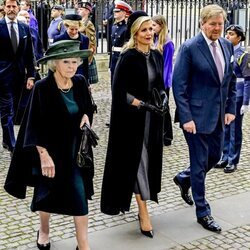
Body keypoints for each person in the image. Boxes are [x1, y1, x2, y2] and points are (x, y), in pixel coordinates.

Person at [4, 40, 93, 250]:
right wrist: (44, 156)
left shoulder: (79, 82)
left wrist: (87, 118)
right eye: (66, 62)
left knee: (79, 194)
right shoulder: (42, 87)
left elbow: (88, 108)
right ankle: (43, 230)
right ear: (55, 64)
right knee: (47, 195)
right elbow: (33, 123)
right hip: (49, 151)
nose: (72, 66)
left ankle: (84, 245)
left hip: (75, 152)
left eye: (75, 62)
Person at [101, 12, 169, 238]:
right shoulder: (128, 57)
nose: (149, 33)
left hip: (153, 121)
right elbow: (119, 92)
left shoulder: (157, 55)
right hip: (132, 121)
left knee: (148, 161)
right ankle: (143, 212)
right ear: (135, 33)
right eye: (144, 30)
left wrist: (162, 98)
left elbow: (160, 85)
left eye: (151, 29)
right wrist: (142, 105)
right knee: (138, 161)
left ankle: (139, 200)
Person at [172, 4, 236, 233]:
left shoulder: (228, 45)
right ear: (202, 24)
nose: (217, 28)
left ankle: (184, 177)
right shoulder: (190, 48)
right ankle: (203, 211)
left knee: (215, 156)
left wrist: (230, 108)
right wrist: (186, 118)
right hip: (195, 119)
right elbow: (178, 86)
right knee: (200, 164)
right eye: (213, 24)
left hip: (219, 116)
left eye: (220, 24)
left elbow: (229, 80)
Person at [0, 0, 35, 154]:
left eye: (14, 6)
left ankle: (7, 140)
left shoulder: (24, 28)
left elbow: (29, 54)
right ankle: (11, 144)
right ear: (4, 8)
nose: (11, 9)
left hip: (20, 76)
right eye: (9, 6)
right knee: (7, 109)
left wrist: (31, 76)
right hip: (2, 77)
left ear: (18, 8)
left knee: (14, 109)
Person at [215, 24, 250, 173]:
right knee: (225, 127)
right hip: (226, 96)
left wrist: (246, 102)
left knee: (235, 129)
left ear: (239, 38)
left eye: (231, 34)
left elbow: (248, 80)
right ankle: (224, 156)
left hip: (238, 95)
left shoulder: (243, 55)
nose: (227, 36)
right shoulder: (225, 51)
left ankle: (232, 159)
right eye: (227, 33)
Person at [152, 14, 174, 146]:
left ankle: (167, 136)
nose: (152, 27)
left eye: (154, 25)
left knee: (164, 108)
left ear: (161, 26)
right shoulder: (154, 39)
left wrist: (163, 84)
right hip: (155, 79)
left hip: (163, 81)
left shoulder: (167, 43)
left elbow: (167, 66)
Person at [54, 14, 89, 84]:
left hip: (79, 74)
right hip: (63, 75)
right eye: (71, 29)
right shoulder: (59, 39)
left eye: (76, 29)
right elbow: (54, 61)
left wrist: (86, 82)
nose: (74, 32)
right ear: (66, 26)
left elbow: (85, 61)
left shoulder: (85, 39)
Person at [109, 0, 132, 85]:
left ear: (124, 13)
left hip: (122, 58)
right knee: (113, 83)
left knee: (122, 84)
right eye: (114, 11)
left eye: (117, 11)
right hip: (114, 59)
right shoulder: (114, 27)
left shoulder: (127, 28)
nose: (115, 13)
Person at [77, 1, 98, 84]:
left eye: (81, 9)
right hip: (79, 54)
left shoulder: (88, 24)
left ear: (87, 11)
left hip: (85, 56)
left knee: (85, 83)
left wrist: (88, 59)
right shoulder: (79, 22)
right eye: (78, 9)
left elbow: (92, 43)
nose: (78, 10)